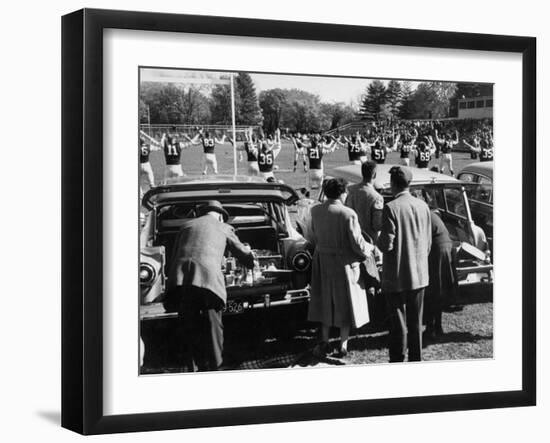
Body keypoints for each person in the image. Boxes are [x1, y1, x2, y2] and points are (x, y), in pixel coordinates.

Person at [165, 200, 255, 371]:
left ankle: (190, 368)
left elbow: (175, 253)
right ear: (220, 215)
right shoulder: (223, 227)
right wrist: (251, 261)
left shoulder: (186, 225)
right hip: (208, 281)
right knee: (213, 326)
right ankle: (215, 367)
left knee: (188, 326)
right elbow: (242, 252)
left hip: (181, 280)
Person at [308, 178, 374, 358]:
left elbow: (312, 234)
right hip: (343, 263)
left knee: (325, 302)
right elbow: (357, 243)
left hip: (322, 261)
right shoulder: (348, 214)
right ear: (342, 193)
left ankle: (325, 340)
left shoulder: (315, 210)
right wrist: (369, 249)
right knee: (345, 303)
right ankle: (343, 344)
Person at [377, 166, 432, 362]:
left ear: (393, 184)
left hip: (398, 275)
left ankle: (398, 358)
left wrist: (377, 239)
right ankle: (416, 358)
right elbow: (428, 241)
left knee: (398, 322)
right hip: (419, 273)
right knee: (416, 322)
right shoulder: (423, 205)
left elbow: (386, 244)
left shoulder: (391, 207)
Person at [345, 161, 384, 323]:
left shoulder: (351, 191)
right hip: (370, 243)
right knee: (372, 280)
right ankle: (372, 315)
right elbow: (377, 225)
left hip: (352, 241)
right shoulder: (376, 197)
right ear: (374, 175)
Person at [424, 209, 456, 339]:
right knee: (437, 290)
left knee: (432, 290)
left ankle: (432, 328)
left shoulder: (422, 213)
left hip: (438, 249)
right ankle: (436, 326)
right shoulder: (428, 213)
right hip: (444, 247)